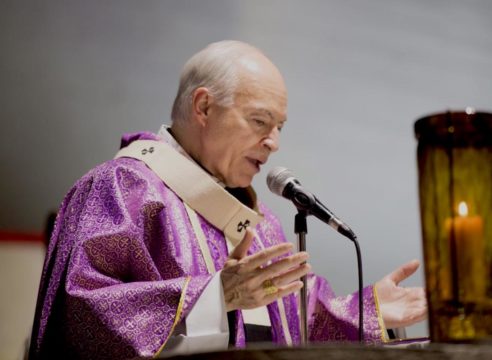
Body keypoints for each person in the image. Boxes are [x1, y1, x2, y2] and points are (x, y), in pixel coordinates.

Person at [29, 40, 426, 359]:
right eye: (260, 121)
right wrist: (215, 296)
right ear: (203, 107)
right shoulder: (121, 188)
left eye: (279, 127)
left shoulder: (258, 220)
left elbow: (294, 316)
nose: (274, 142)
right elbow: (79, 314)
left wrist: (369, 309)